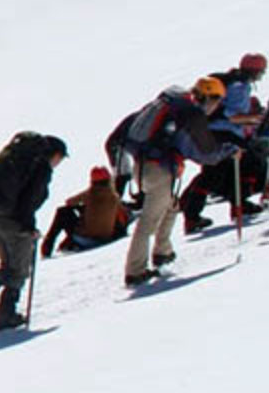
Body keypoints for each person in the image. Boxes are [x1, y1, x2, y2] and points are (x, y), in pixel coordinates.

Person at [114, 77, 237, 286]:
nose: (215, 106)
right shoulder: (191, 113)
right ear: (209, 97)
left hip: (142, 166)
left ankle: (163, 251)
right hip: (159, 170)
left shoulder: (169, 104)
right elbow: (206, 152)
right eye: (216, 101)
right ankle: (135, 271)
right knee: (148, 221)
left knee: (171, 206)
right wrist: (229, 150)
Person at [0, 132, 67, 331]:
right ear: (54, 154)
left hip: (0, 223)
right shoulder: (41, 169)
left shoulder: (26, 164)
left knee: (6, 269)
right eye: (60, 158)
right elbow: (28, 200)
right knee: (18, 272)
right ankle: (4, 317)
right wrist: (29, 228)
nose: (58, 163)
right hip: (16, 227)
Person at [181, 54, 269, 233]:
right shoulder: (240, 86)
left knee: (232, 168)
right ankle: (195, 215)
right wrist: (252, 119)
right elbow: (231, 115)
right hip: (224, 134)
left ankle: (236, 204)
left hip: (213, 133)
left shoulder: (231, 80)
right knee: (222, 171)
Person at [41, 166, 132, 256]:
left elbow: (69, 202)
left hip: (86, 240)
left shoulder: (90, 193)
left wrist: (82, 208)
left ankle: (46, 249)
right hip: (107, 238)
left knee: (63, 212)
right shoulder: (115, 197)